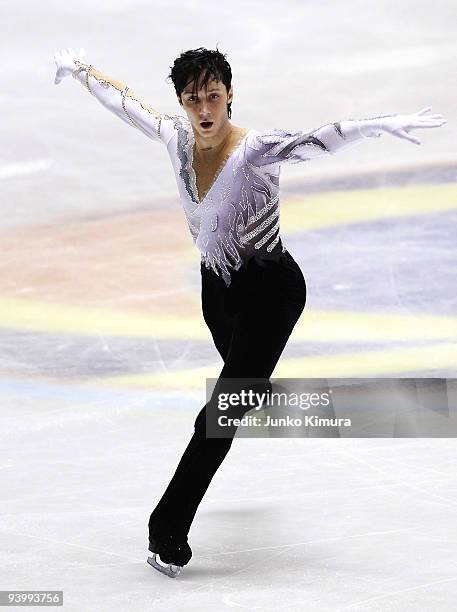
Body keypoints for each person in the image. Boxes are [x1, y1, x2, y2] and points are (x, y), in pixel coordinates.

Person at [53, 45, 446, 577]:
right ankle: (250, 392)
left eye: (213, 95)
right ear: (183, 102)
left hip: (272, 292)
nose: (204, 108)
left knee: (220, 414)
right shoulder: (175, 138)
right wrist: (81, 71)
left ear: (230, 94)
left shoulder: (256, 150)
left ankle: (166, 530)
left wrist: (379, 125)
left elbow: (322, 137)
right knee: (242, 395)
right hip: (218, 292)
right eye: (193, 99)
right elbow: (126, 104)